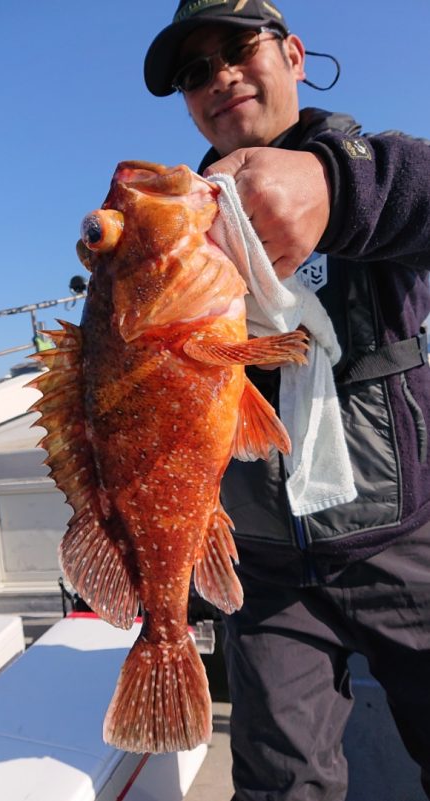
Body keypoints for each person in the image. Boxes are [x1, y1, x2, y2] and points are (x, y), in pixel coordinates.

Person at [144, 2, 430, 799]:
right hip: (266, 573)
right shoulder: (184, 223)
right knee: (279, 786)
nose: (220, 77)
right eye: (195, 72)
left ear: (294, 55)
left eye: (239, 49)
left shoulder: (374, 164)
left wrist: (335, 183)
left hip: (405, 543)